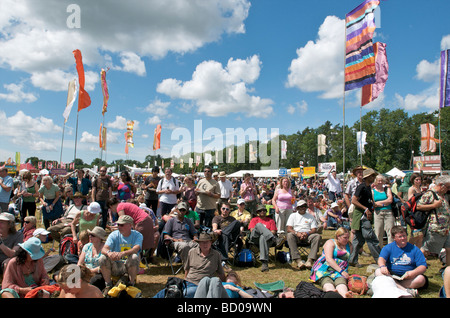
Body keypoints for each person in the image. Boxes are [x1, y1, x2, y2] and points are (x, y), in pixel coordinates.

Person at [153, 232, 225, 298]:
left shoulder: (216, 255)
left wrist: (222, 287)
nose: (205, 244)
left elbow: (221, 273)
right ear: (199, 243)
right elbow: (187, 269)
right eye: (202, 242)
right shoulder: (192, 252)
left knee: (184, 294)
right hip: (188, 282)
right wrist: (184, 281)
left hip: (201, 285)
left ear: (211, 243)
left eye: (207, 242)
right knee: (166, 291)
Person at [375, 225, 428, 297]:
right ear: (394, 238)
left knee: (421, 279)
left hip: (408, 277)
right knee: (378, 271)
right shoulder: (388, 247)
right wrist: (382, 266)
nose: (403, 238)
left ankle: (394, 286)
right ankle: (405, 290)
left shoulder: (414, 249)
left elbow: (423, 266)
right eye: (400, 237)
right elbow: (381, 259)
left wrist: (413, 272)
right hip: (391, 275)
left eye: (404, 236)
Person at [99, 215, 143, 295]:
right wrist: (109, 253)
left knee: (134, 257)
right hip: (115, 265)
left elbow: (136, 249)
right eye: (118, 225)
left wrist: (123, 253)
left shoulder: (138, 235)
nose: (119, 227)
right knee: (102, 258)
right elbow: (104, 249)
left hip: (129, 266)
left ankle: (131, 284)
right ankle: (108, 285)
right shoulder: (113, 235)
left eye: (122, 225)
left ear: (130, 225)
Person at [349, 168, 381, 267]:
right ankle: (380, 260)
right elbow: (354, 200)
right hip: (361, 215)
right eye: (372, 176)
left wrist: (372, 205)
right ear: (368, 177)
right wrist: (366, 209)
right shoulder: (361, 187)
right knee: (371, 237)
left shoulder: (368, 187)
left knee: (358, 240)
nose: (374, 178)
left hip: (363, 214)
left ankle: (352, 260)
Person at [309, 228, 353, 298]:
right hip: (325, 269)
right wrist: (341, 271)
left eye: (348, 237)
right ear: (338, 236)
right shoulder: (330, 243)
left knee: (341, 282)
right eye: (345, 238)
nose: (347, 240)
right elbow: (329, 259)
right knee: (327, 281)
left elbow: (346, 260)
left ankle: (344, 295)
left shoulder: (349, 245)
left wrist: (342, 272)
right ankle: (331, 293)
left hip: (340, 271)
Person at [419, 175, 450, 266]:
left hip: (445, 229)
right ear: (441, 185)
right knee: (425, 249)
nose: (448, 189)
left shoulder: (444, 195)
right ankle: (415, 266)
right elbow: (419, 206)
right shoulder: (430, 194)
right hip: (435, 228)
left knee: (449, 249)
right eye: (447, 187)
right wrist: (433, 206)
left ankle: (448, 270)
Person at [247, 204, 285, 272]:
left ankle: (264, 263)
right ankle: (275, 240)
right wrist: (265, 231)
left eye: (264, 210)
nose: (262, 212)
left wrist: (265, 234)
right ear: (258, 212)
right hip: (255, 238)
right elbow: (252, 230)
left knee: (263, 237)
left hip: (266, 240)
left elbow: (273, 231)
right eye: (260, 210)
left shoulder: (270, 220)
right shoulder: (254, 219)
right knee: (259, 225)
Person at [286, 200, 322, 270]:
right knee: (290, 235)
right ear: (297, 208)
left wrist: (307, 233)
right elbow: (289, 229)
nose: (303, 208)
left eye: (304, 206)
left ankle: (310, 260)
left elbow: (314, 229)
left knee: (317, 236)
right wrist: (297, 233)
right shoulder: (293, 215)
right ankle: (298, 260)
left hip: (308, 235)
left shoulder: (310, 216)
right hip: (296, 235)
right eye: (301, 206)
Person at [77, 226, 107, 291]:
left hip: (99, 274)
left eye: (93, 235)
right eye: (89, 234)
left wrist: (91, 271)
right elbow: (80, 263)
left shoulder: (106, 248)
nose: (90, 236)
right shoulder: (87, 246)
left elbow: (105, 266)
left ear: (99, 238)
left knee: (90, 284)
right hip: (85, 272)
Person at [372, 174, 394, 248]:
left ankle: (391, 248)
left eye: (381, 181)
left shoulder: (387, 189)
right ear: (375, 182)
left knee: (390, 231)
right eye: (378, 181)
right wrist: (385, 202)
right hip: (378, 213)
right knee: (378, 232)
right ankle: (379, 249)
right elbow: (373, 203)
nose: (380, 182)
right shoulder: (373, 191)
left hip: (388, 212)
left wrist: (380, 204)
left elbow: (390, 200)